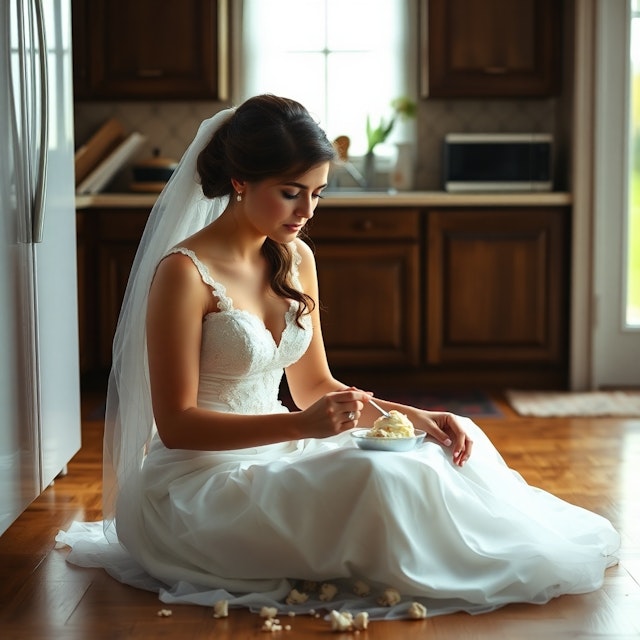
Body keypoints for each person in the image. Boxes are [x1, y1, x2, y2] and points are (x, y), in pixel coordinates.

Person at [58, 95, 619, 620]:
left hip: (283, 451)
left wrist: (416, 419)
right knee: (375, 481)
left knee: (426, 453)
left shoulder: (296, 257)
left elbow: (316, 384)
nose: (306, 210)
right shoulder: (184, 273)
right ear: (240, 180)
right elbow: (177, 427)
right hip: (196, 490)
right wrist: (300, 426)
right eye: (290, 191)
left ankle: (479, 551)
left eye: (318, 193)